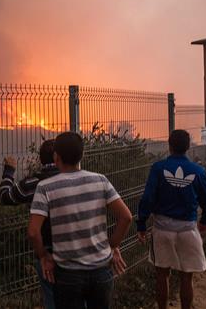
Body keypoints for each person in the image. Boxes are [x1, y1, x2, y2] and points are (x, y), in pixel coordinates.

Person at [28, 131, 133, 309]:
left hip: (68, 274)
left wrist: (44, 256)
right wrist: (112, 246)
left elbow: (33, 231)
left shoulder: (45, 187)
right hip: (101, 271)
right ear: (82, 155)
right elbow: (126, 217)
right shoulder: (100, 180)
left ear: (56, 157)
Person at [136, 129, 206, 309]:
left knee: (161, 274)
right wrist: (205, 221)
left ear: (169, 145)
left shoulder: (158, 168)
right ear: (187, 147)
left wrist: (141, 224)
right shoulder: (198, 171)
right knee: (187, 276)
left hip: (162, 229)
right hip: (188, 229)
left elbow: (147, 198)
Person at [0, 140, 58, 309]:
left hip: (47, 251)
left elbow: (4, 197)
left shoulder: (33, 183)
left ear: (41, 159)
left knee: (51, 298)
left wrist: (9, 171)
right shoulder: (73, 179)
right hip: (74, 251)